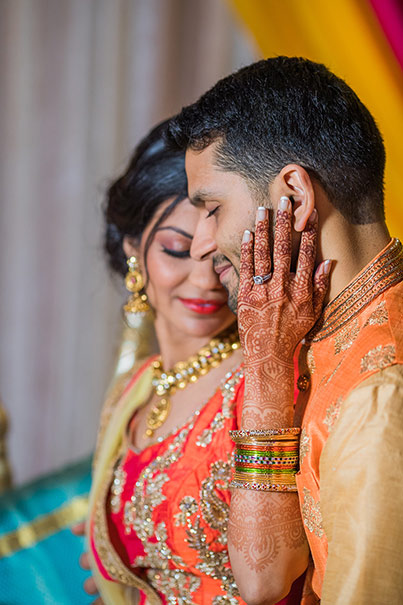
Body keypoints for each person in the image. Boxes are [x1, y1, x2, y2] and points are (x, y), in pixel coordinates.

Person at [168, 56, 403, 604]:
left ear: (293, 197)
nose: (202, 245)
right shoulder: (312, 335)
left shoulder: (380, 395)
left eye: (211, 208)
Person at [85, 119, 309, 604]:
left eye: (225, 253)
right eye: (176, 250)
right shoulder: (136, 388)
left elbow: (274, 576)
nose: (206, 280)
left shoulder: (268, 376)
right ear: (132, 250)